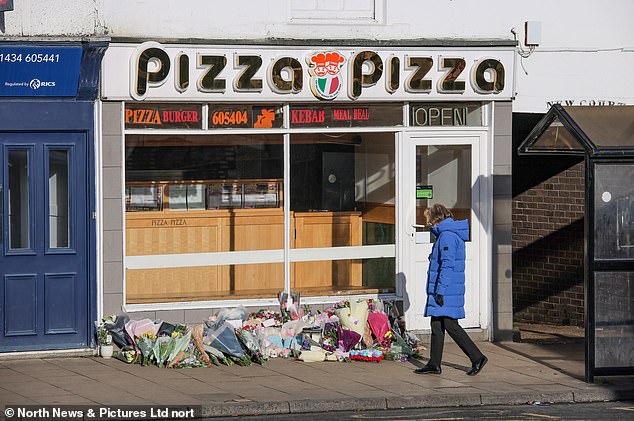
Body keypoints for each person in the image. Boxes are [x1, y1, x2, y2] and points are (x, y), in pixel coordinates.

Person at [414, 203, 488, 376]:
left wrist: (440, 291)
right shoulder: (447, 234)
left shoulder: (447, 236)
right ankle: (434, 363)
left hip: (446, 289)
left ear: (435, 219)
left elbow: (447, 265)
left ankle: (477, 357)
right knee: (436, 324)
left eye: (429, 220)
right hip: (447, 287)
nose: (428, 224)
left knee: (449, 324)